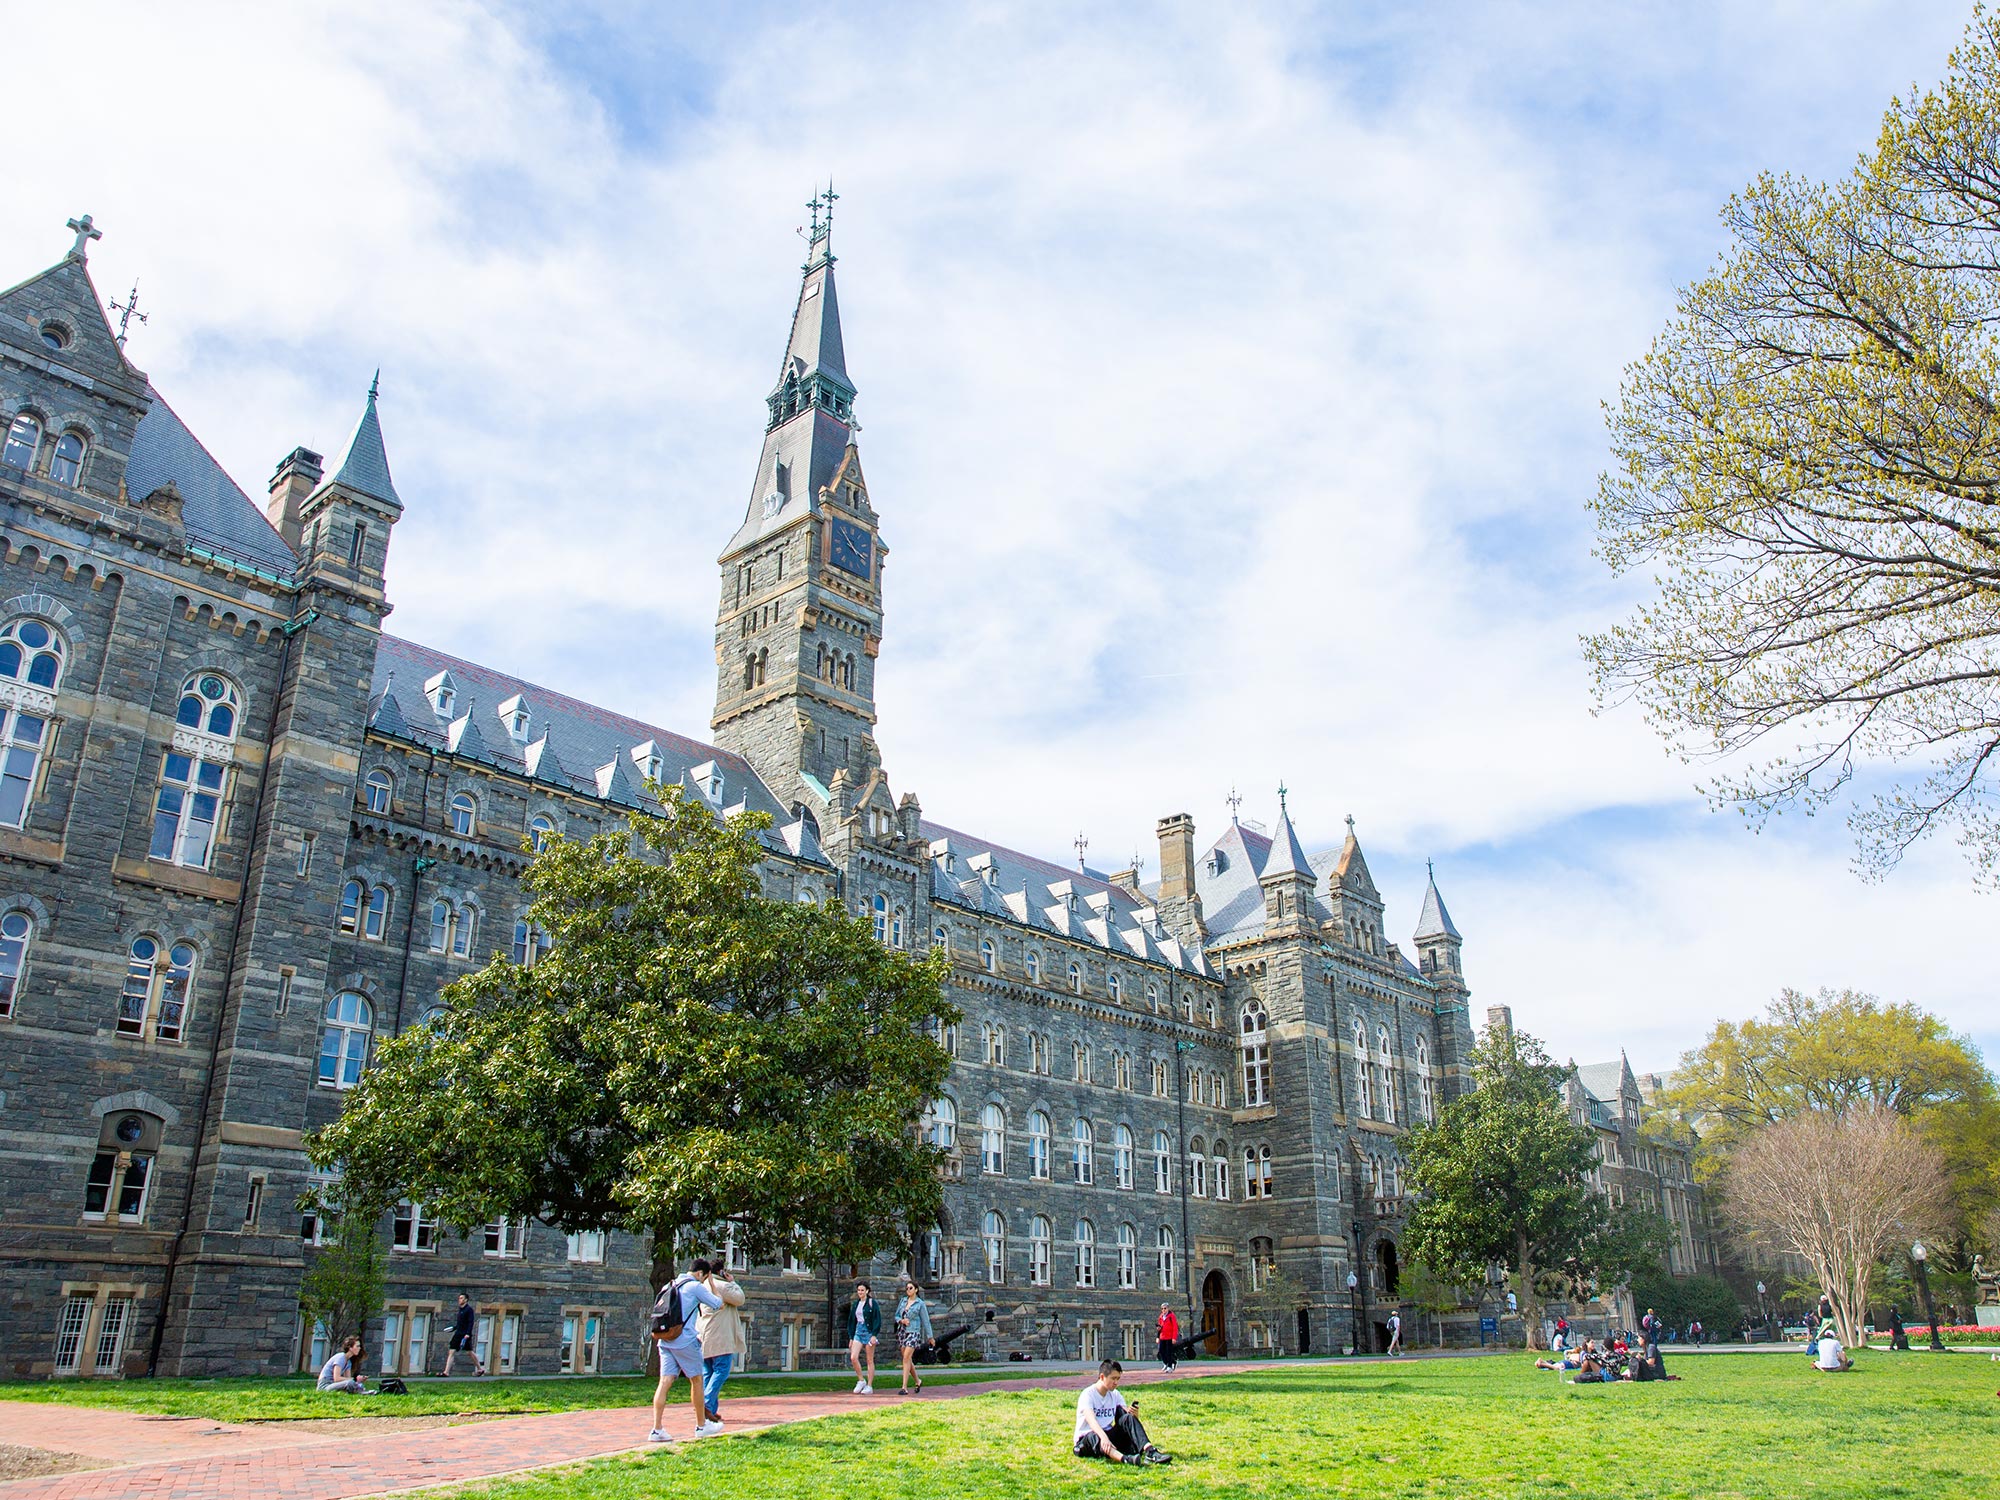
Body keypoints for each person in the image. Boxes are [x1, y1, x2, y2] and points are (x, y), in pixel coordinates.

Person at [649, 1256, 726, 1444]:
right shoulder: (695, 1286)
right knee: (697, 1380)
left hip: (665, 1340)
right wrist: (711, 1283)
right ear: (700, 1273)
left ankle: (656, 1429)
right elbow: (719, 1304)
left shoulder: (669, 1285)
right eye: (704, 1276)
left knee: (665, 1382)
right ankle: (702, 1425)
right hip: (685, 1340)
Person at [1073, 1359, 1171, 1465]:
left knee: (1128, 1418)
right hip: (1087, 1439)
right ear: (1102, 1377)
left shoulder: (1115, 1394)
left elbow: (1127, 1418)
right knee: (1094, 1436)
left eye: (1118, 1379)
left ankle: (1150, 1452)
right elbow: (1091, 1421)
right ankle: (1125, 1459)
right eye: (1113, 1378)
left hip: (1108, 1435)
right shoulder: (1088, 1394)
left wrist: (1134, 1415)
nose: (1116, 1383)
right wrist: (1104, 1437)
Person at [697, 1255, 747, 1428]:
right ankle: (706, 1405)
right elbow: (740, 1298)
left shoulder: (702, 1286)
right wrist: (733, 1282)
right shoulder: (723, 1286)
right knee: (722, 1371)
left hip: (705, 1335)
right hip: (720, 1337)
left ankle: (710, 1409)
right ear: (721, 1272)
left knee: (708, 1373)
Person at [894, 1279, 935, 1396]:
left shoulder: (920, 1304)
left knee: (906, 1358)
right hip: (902, 1331)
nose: (908, 1290)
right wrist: (901, 1320)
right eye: (907, 1288)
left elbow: (926, 1321)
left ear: (916, 1290)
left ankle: (904, 1387)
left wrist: (930, 1337)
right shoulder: (903, 1301)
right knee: (907, 1359)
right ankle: (918, 1380)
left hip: (913, 1332)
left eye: (910, 1288)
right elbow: (896, 1315)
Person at [846, 1279, 882, 1395]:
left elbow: (877, 1319)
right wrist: (851, 1337)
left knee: (869, 1360)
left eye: (862, 1290)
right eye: (859, 1290)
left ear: (867, 1291)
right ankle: (861, 1380)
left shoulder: (872, 1303)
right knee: (853, 1357)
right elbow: (852, 1320)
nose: (860, 1292)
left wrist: (874, 1335)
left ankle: (869, 1385)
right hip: (858, 1330)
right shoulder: (856, 1304)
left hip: (869, 1331)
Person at [441, 1293, 483, 1378]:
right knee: (451, 1351)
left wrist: (468, 1333)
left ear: (466, 1300)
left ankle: (479, 1369)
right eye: (459, 1298)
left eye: (461, 1298)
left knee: (469, 1352)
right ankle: (446, 1372)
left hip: (465, 1335)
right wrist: (454, 1328)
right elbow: (460, 1323)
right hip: (458, 1333)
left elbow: (470, 1322)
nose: (459, 1300)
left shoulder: (469, 1310)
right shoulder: (460, 1310)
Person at [1156, 1303, 1180, 1371]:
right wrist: (1158, 1337)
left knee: (1168, 1352)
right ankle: (1166, 1363)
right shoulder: (1160, 1316)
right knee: (1161, 1350)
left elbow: (1175, 1327)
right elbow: (1159, 1327)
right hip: (1162, 1337)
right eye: (1162, 1308)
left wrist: (1174, 1338)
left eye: (1165, 1308)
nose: (1163, 1310)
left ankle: (1170, 1366)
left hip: (1169, 1337)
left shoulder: (1171, 1316)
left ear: (1168, 1309)